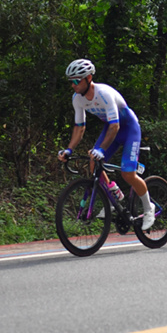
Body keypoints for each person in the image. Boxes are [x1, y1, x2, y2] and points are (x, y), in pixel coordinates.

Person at [57, 59, 154, 229]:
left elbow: (115, 125)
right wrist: (69, 149)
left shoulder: (104, 93)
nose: (73, 85)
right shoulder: (77, 99)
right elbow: (79, 128)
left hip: (128, 128)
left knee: (128, 174)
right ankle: (113, 192)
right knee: (94, 162)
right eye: (70, 81)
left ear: (88, 78)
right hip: (111, 128)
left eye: (76, 81)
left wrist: (101, 149)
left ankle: (148, 207)